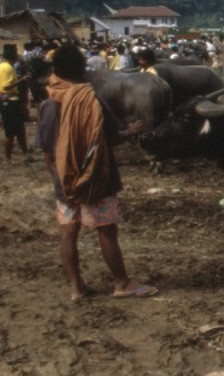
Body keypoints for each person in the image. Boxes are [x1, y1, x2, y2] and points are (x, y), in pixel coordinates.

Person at [39, 43, 156, 301]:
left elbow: (47, 149)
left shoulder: (48, 104)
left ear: (56, 70)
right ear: (82, 69)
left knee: (68, 232)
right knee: (106, 230)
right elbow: (111, 137)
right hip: (96, 176)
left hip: (64, 177)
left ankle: (76, 287)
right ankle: (122, 283)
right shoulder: (90, 98)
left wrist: (59, 176)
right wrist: (133, 131)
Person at [1, 43, 30, 161]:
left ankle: (25, 154)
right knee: (12, 132)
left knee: (19, 130)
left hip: (7, 101)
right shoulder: (8, 68)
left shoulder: (2, 66)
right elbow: (6, 86)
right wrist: (22, 80)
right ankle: (8, 157)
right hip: (10, 101)